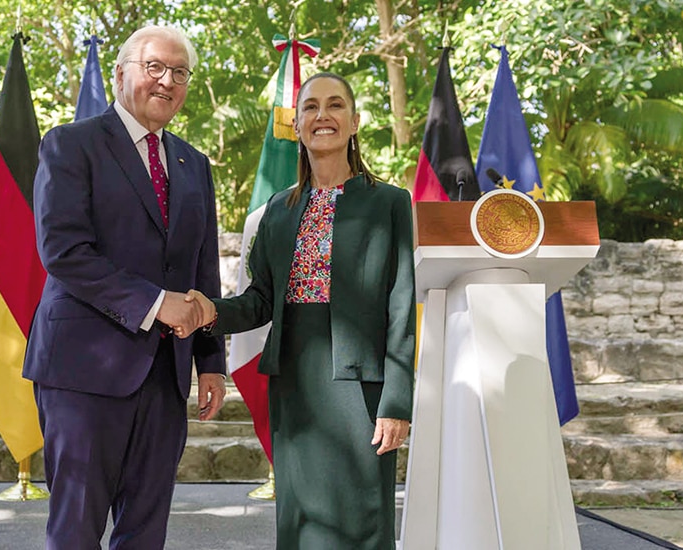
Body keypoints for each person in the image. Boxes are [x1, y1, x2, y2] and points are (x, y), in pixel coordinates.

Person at [185, 72, 416, 549]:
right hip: (294, 383)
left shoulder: (391, 204)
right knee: (301, 521)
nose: (322, 115)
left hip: (363, 388)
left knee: (363, 521)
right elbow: (261, 301)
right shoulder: (278, 210)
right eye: (310, 107)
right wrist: (209, 311)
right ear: (297, 124)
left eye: (335, 106)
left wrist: (396, 403)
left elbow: (401, 306)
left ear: (354, 122)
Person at [22, 25, 226, 549]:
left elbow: (202, 275)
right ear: (120, 73)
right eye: (154, 67)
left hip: (166, 376)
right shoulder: (69, 145)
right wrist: (157, 304)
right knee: (76, 528)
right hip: (83, 372)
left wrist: (211, 364)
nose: (167, 81)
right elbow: (64, 251)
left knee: (146, 529)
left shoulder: (195, 165)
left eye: (179, 73)